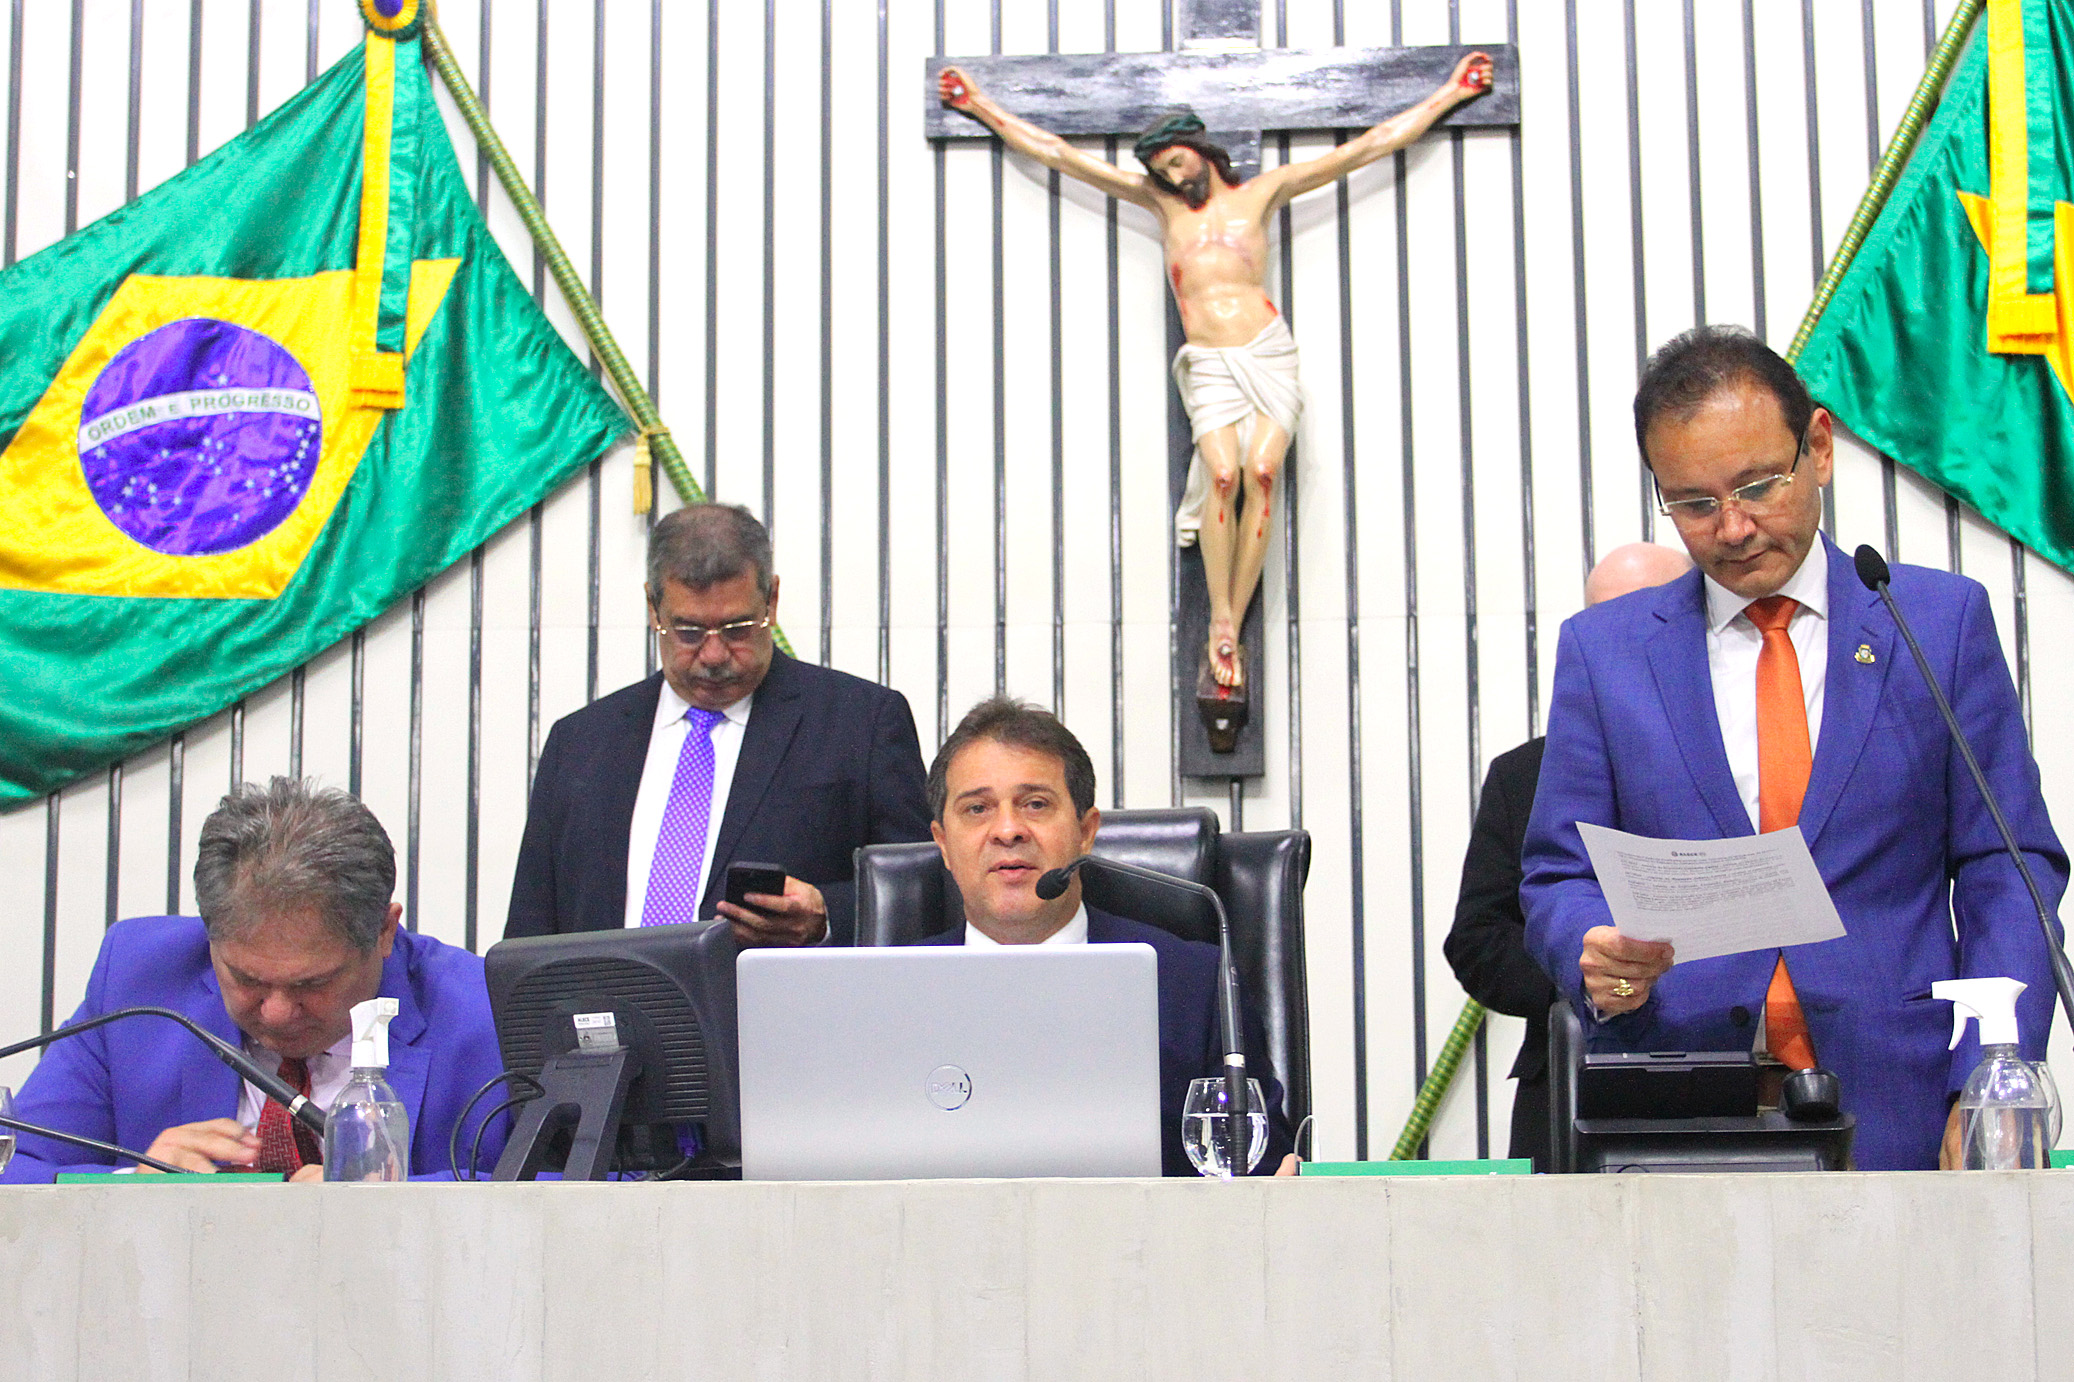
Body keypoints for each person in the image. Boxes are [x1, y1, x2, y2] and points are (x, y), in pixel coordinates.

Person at [1520, 325, 2066, 1172]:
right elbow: (1555, 875)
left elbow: (2009, 865)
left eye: (1757, 487)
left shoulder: (1937, 625)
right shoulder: (1606, 652)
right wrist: (1590, 944)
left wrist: (1989, 1080)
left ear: (1817, 446)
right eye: (1695, 504)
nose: (1733, 528)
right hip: (1680, 1108)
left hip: (1907, 1103)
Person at [938, 54, 1492, 690]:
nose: (1170, 176)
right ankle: (1221, 620)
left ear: (1201, 150)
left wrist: (1450, 92)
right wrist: (978, 105)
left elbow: (1369, 146)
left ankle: (1233, 614)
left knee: (1262, 470)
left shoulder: (1264, 192)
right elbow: (1059, 153)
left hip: (1263, 349)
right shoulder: (1161, 205)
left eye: (1176, 161)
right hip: (1207, 361)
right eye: (1159, 170)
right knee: (1223, 475)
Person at [1, 778, 506, 1182]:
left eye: (312, 984)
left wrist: (392, 1204)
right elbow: (14, 1167)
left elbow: (570, 1184)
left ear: (384, 931)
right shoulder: (138, 982)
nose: (277, 1012)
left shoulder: (485, 1009)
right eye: (247, 979)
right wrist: (129, 1184)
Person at [505, 503, 930, 948]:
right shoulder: (578, 745)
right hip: (611, 1012)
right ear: (654, 607)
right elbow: (529, 932)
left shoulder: (860, 725)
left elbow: (923, 893)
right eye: (688, 631)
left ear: (772, 599)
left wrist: (827, 915)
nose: (713, 655)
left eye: (738, 628)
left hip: (775, 1013)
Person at [912, 696, 1294, 1176]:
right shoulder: (884, 994)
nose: (1007, 830)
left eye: (1035, 804)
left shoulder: (1195, 985)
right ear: (943, 844)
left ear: (1086, 832)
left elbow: (1262, 1172)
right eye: (977, 808)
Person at [1443, 541, 1692, 1170]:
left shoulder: (1746, 756)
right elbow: (1477, 938)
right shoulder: (1524, 776)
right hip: (1572, 1071)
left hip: (1733, 1068)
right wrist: (1584, 973)